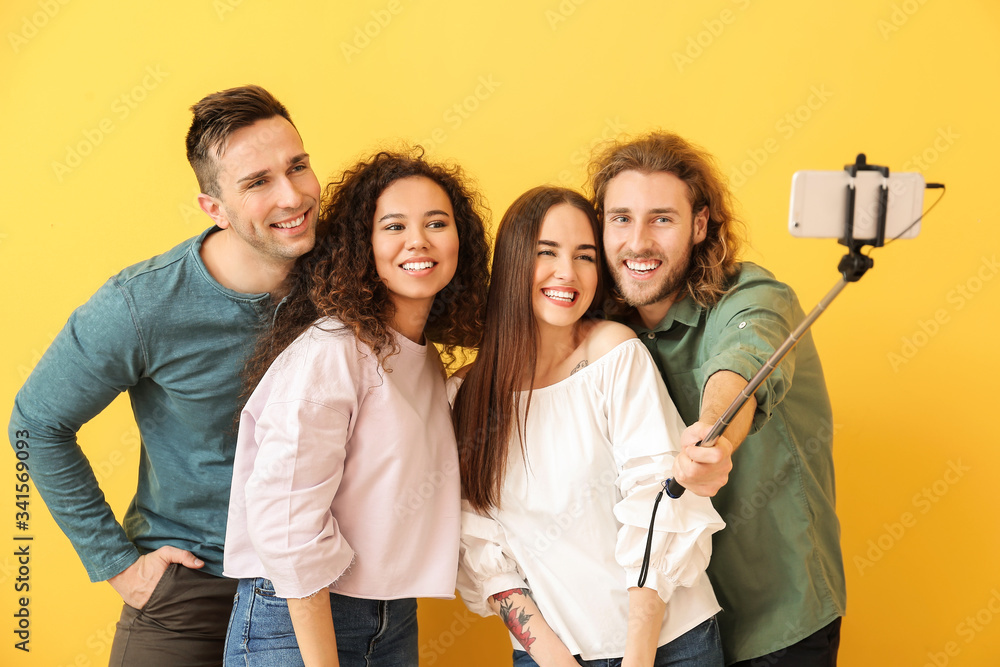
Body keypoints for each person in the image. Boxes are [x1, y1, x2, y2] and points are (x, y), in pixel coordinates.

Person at [7, 85, 321, 666]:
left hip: (322, 590)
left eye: (298, 166)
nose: (293, 194)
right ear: (214, 208)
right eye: (257, 182)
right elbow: (36, 422)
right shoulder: (143, 304)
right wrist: (118, 567)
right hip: (192, 591)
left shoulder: (349, 275)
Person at [222, 149, 491, 667]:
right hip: (300, 619)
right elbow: (287, 526)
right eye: (394, 226)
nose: (418, 240)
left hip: (393, 617)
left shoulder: (421, 358)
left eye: (437, 223)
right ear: (362, 246)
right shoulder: (333, 351)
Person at [588, 131, 847, 666]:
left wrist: (713, 437)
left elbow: (742, 361)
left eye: (662, 218)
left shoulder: (753, 296)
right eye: (621, 218)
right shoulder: (602, 333)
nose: (638, 241)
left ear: (699, 224)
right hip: (662, 628)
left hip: (773, 621)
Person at [452, 186, 726, 667]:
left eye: (585, 256)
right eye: (547, 252)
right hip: (548, 655)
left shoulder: (613, 354)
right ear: (514, 261)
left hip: (669, 646)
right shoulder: (465, 396)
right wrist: (554, 659)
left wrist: (637, 659)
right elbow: (481, 547)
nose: (568, 273)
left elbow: (658, 502)